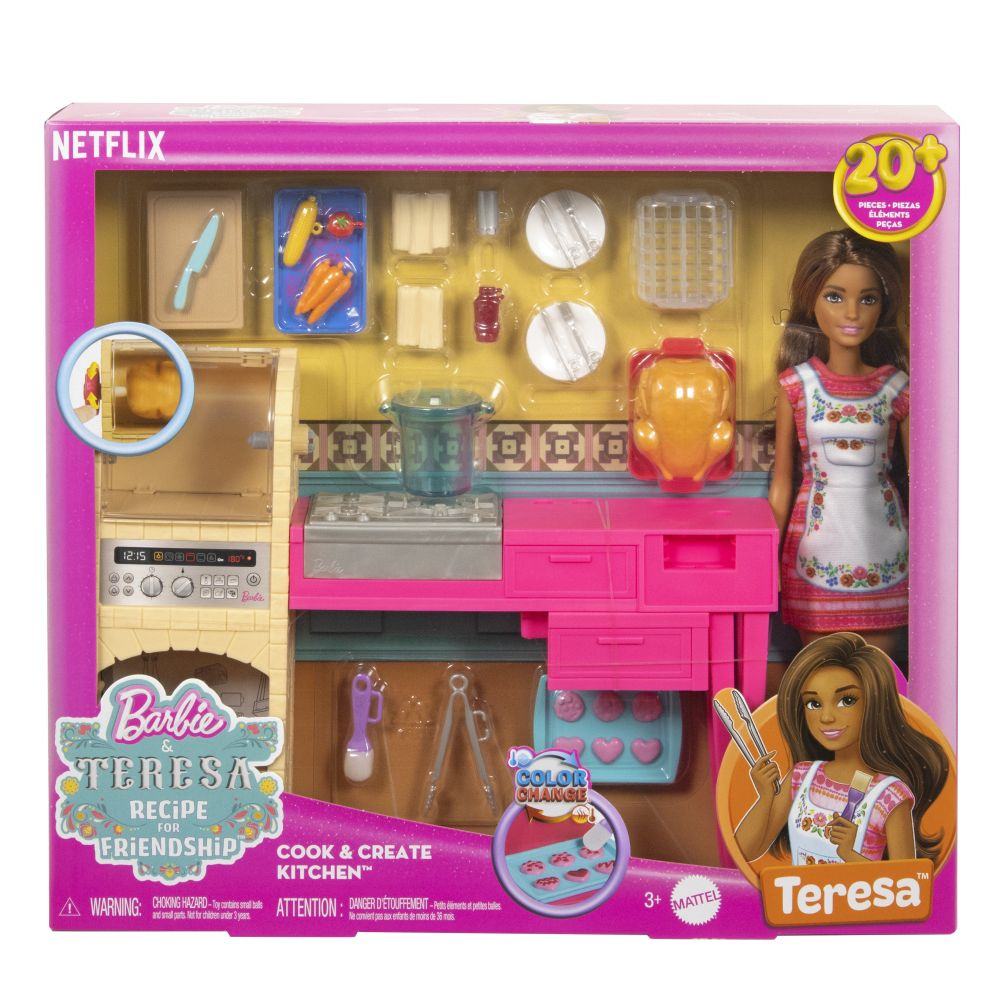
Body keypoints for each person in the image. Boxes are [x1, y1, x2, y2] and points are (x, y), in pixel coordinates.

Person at [769, 230, 909, 657]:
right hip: (816, 553)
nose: (852, 313)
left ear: (884, 305)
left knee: (882, 681)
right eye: (835, 297)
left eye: (868, 299)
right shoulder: (797, 385)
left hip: (884, 551)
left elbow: (923, 484)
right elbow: (782, 484)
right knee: (820, 677)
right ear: (811, 301)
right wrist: (764, 559)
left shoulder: (897, 388)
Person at [734, 632, 948, 866]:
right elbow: (743, 852)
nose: (826, 717)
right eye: (814, 703)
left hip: (864, 892)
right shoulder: (801, 777)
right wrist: (765, 797)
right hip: (798, 891)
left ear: (875, 703)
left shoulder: (889, 796)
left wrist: (849, 854)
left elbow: (905, 881)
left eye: (847, 700)